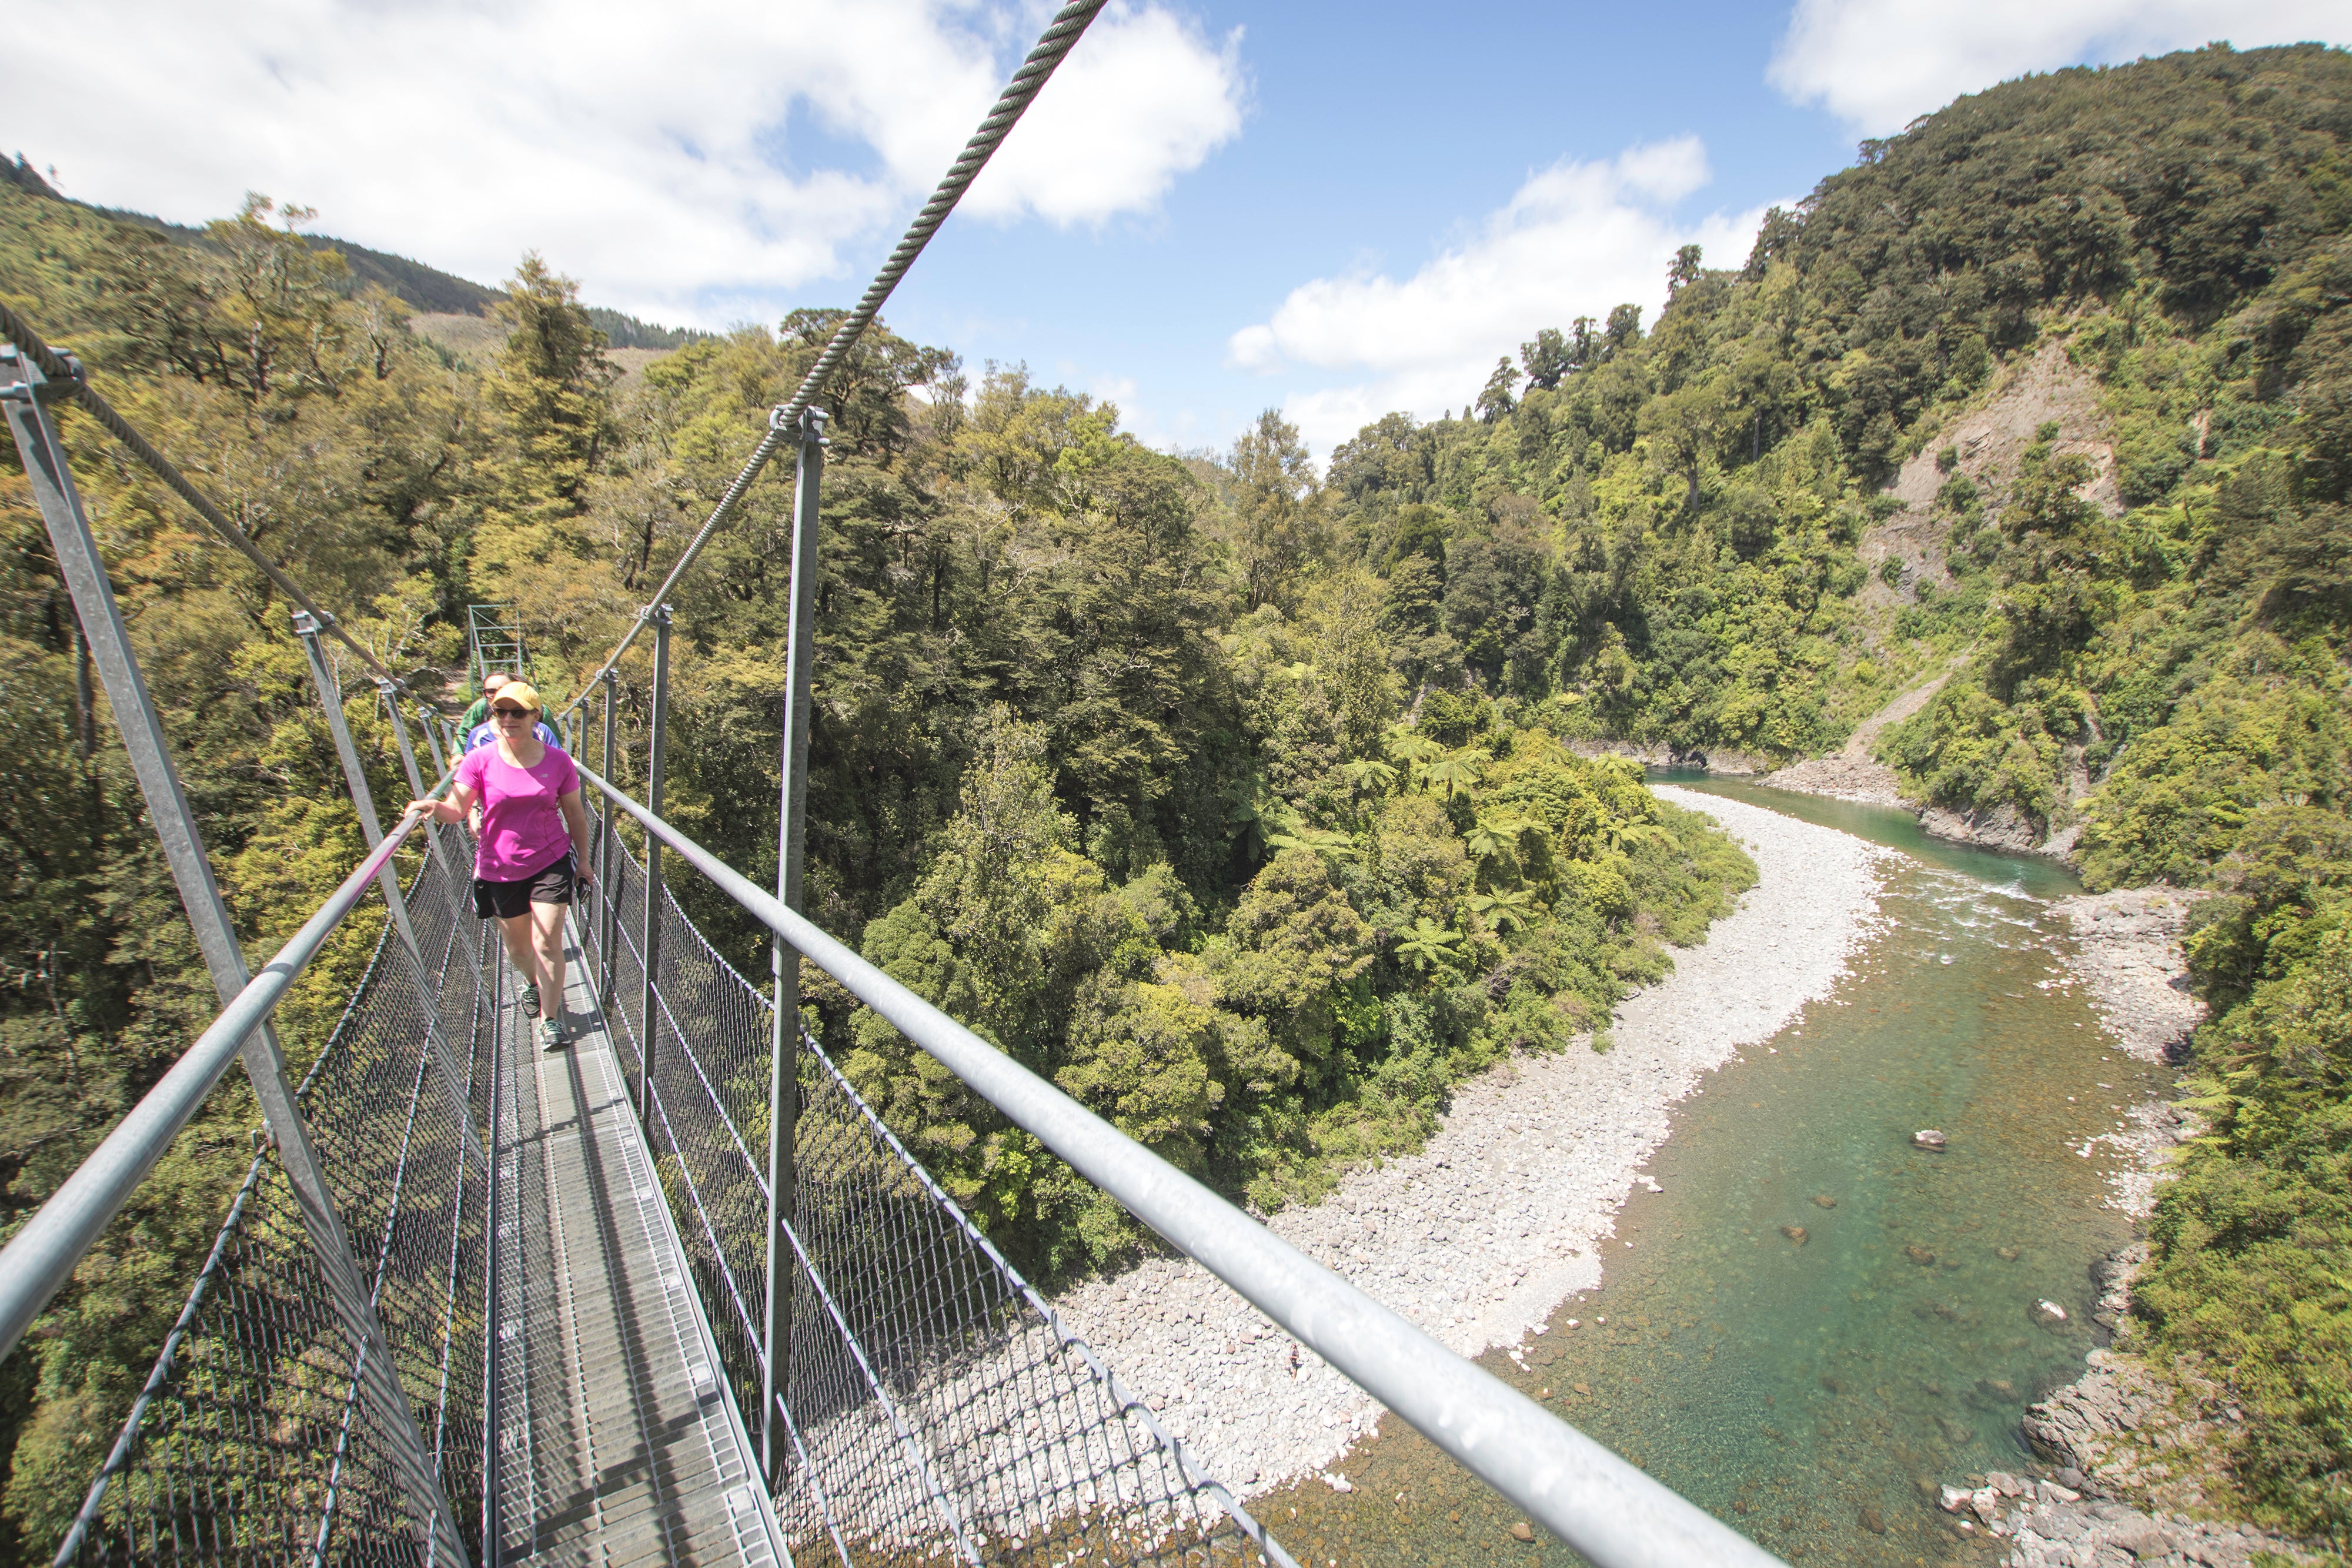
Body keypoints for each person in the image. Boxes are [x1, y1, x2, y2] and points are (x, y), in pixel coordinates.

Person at [407, 682, 593, 1052]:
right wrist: (430, 807)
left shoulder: (558, 762)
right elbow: (457, 808)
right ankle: (531, 983)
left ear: (535, 716)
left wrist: (584, 861)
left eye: (518, 712)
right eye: (501, 712)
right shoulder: (480, 760)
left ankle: (550, 1020)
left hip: (550, 859)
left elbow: (574, 813)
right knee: (519, 950)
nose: (508, 719)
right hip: (499, 865)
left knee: (547, 942)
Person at [459, 671, 509, 737]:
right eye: (491, 692)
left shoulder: (523, 709)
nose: (497, 695)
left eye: (502, 690)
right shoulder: (481, 707)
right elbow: (464, 735)